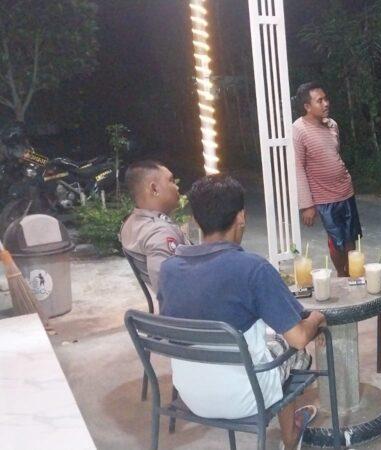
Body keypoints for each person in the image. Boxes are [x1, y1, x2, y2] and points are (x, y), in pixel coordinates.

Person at [158, 174, 324, 450]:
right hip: (249, 396)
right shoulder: (252, 268)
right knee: (296, 349)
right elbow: (298, 338)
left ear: (196, 220)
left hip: (191, 394)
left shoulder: (169, 269)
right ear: (241, 217)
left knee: (261, 337)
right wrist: (317, 318)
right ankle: (291, 435)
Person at [293, 82, 362, 277]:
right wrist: (307, 205)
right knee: (336, 240)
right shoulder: (298, 129)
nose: (326, 103)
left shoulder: (332, 125)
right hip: (324, 197)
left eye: (326, 99)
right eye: (319, 101)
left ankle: (353, 276)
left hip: (345, 191)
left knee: (351, 237)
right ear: (307, 106)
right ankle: (341, 275)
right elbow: (298, 167)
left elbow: (334, 153)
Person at [119, 160, 188, 295]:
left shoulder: (131, 222)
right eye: (171, 181)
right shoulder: (159, 234)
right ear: (154, 189)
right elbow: (170, 292)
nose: (177, 187)